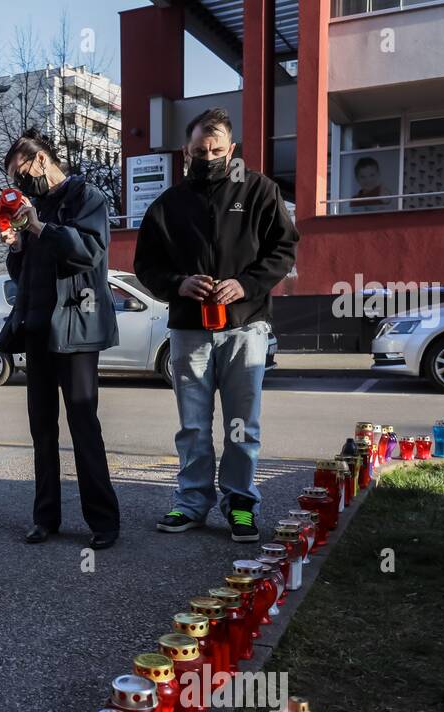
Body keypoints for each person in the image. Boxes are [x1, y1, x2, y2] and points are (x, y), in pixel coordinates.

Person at [133, 107, 298, 543]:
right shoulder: (169, 204)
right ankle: (191, 503)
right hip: (189, 329)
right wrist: (178, 283)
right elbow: (145, 266)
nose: (207, 157)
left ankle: (240, 503)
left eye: (216, 149)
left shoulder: (260, 190)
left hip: (246, 327)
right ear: (186, 150)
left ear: (232, 149)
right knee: (192, 425)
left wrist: (244, 285)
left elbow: (284, 250)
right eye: (199, 150)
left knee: (243, 425)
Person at [0, 130, 121, 550]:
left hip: (77, 327)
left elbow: (88, 252)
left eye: (21, 173)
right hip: (36, 327)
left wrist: (38, 226)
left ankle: (104, 522)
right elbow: (23, 276)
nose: (19, 184)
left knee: (83, 423)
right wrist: (16, 247)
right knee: (41, 427)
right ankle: (44, 517)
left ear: (40, 160)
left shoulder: (87, 197)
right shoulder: (32, 209)